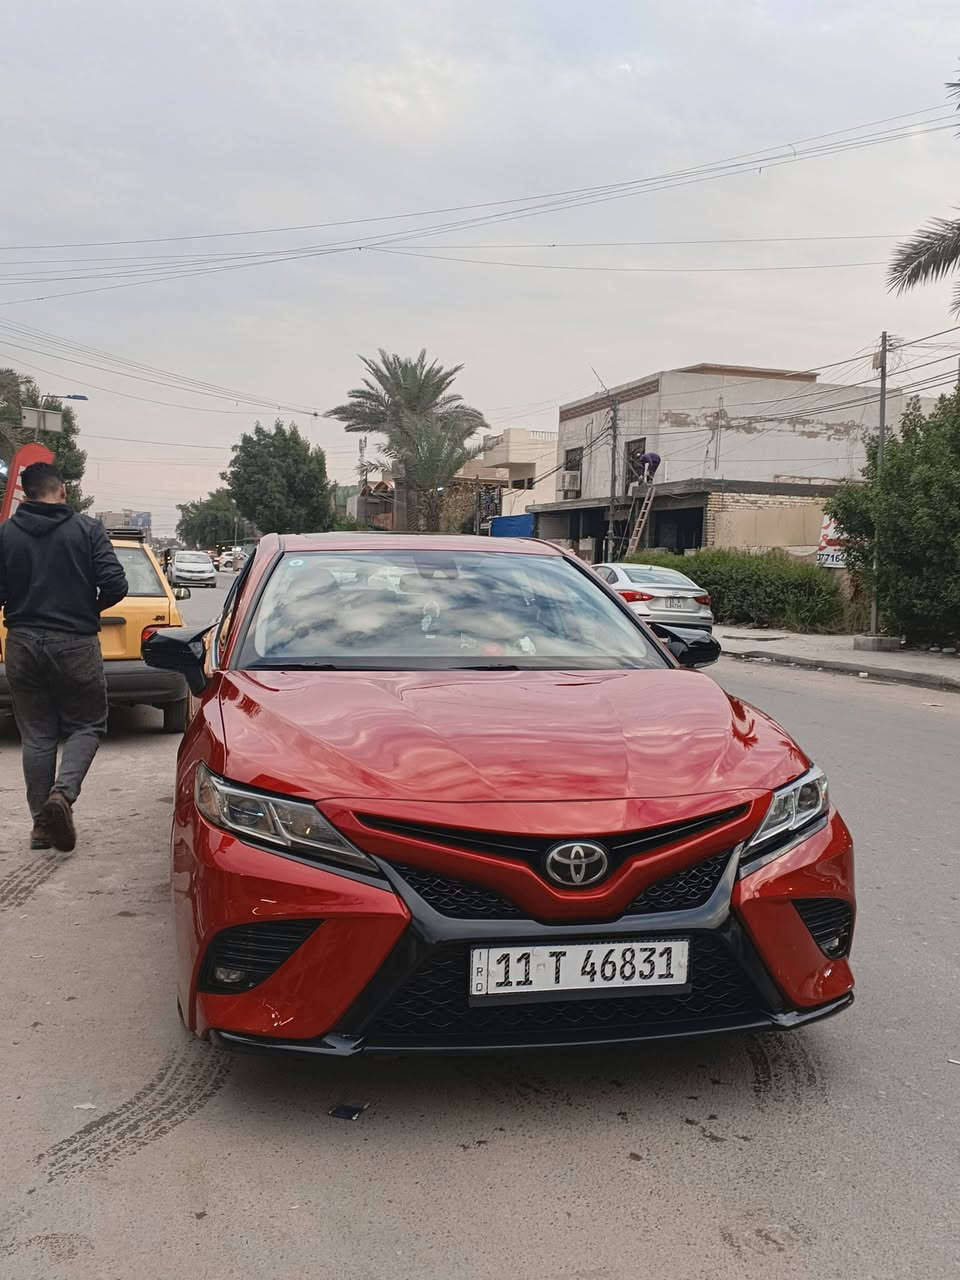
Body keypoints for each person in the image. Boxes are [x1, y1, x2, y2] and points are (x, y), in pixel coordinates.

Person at [0, 462, 128, 852]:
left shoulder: (6, 534)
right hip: (75, 641)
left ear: (26, 493)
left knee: (37, 735)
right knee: (86, 725)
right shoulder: (87, 529)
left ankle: (42, 828)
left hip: (21, 642)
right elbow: (116, 584)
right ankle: (62, 795)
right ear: (63, 490)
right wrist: (88, 609)